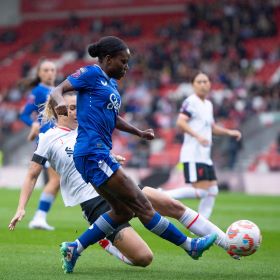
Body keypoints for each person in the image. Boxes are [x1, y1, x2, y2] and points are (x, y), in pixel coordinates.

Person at [9, 91, 235, 274]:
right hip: (92, 201)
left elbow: (98, 153)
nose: (79, 111)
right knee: (144, 258)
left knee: (169, 204)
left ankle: (227, 244)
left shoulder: (87, 131)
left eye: (79, 106)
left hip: (114, 185)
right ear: (60, 111)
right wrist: (21, 208)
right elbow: (32, 175)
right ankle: (100, 239)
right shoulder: (48, 138)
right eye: (73, 107)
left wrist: (110, 156)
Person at [50, 36, 217, 272]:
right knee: (142, 204)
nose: (126, 66)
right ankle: (190, 245)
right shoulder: (90, 74)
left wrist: (138, 132)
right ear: (108, 59)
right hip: (92, 152)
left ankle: (74, 247)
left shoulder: (111, 85)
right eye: (123, 61)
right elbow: (58, 90)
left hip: (95, 154)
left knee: (124, 210)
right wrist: (59, 104)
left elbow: (113, 117)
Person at [164, 72, 242, 219]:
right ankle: (161, 194)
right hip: (193, 154)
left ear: (210, 84)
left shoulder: (208, 104)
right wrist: (198, 136)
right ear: (193, 85)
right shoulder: (191, 101)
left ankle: (201, 224)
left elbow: (211, 127)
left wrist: (229, 132)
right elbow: (180, 122)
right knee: (201, 192)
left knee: (213, 190)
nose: (202, 84)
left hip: (204, 156)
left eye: (205, 81)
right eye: (199, 82)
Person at [19, 59, 60, 230]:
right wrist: (33, 124)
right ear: (39, 73)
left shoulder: (56, 90)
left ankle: (40, 217)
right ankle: (38, 217)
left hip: (58, 138)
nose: (50, 72)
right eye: (46, 70)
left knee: (57, 181)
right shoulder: (38, 90)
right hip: (47, 140)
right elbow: (24, 114)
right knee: (56, 179)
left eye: (52, 69)